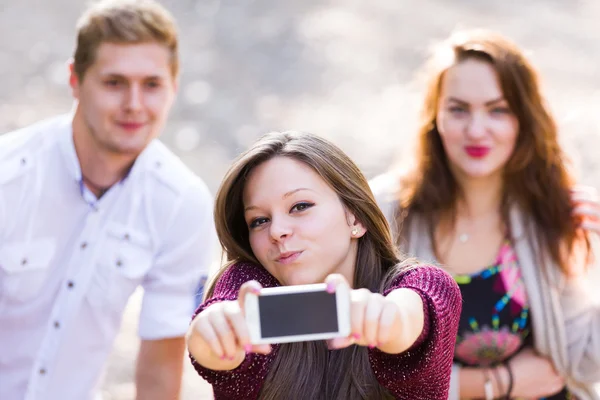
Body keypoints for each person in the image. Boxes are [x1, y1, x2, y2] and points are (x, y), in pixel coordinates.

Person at [0, 1, 216, 399]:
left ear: (173, 86)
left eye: (151, 84)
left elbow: (160, 367)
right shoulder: (8, 176)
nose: (134, 104)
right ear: (75, 79)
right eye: (114, 82)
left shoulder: (182, 203)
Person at [370, 29, 600, 400]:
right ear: (435, 118)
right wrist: (497, 383)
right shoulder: (388, 210)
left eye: (498, 110)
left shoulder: (546, 213)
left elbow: (585, 360)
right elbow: (359, 362)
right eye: (458, 109)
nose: (477, 131)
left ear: (523, 120)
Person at [186, 131, 462, 400]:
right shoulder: (247, 284)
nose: (276, 231)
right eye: (259, 220)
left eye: (300, 206)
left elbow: (410, 314)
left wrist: (387, 320)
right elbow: (215, 323)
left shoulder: (423, 283)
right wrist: (211, 332)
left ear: (355, 218)